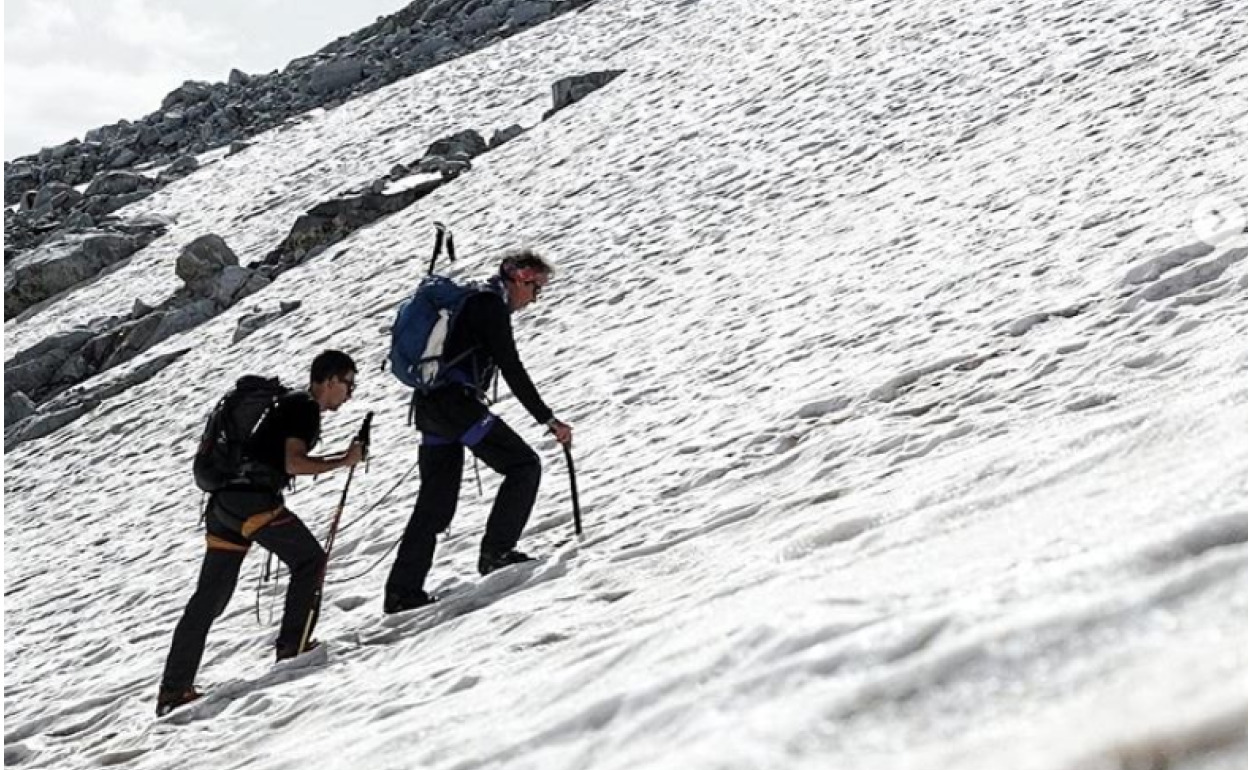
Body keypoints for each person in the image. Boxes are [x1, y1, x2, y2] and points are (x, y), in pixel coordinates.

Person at [156, 350, 364, 716]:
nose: (350, 393)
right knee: (309, 559)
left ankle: (174, 690)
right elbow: (293, 462)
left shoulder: (286, 405)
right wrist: (343, 461)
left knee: (209, 598)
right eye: (348, 384)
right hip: (253, 502)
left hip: (224, 505)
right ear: (329, 380)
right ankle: (293, 647)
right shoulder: (304, 407)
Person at [384, 250, 572, 614]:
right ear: (520, 276)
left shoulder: (472, 299)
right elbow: (511, 367)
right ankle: (496, 553)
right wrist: (548, 419)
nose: (535, 300)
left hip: (431, 408)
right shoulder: (489, 305)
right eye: (536, 289)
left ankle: (401, 592)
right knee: (523, 466)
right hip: (457, 407)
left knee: (434, 506)